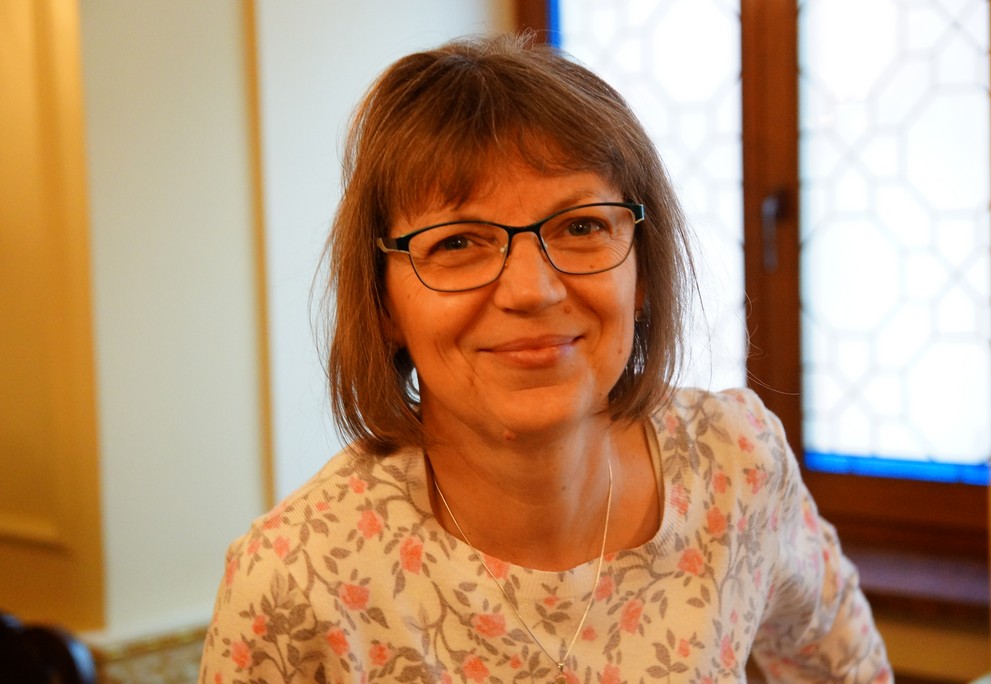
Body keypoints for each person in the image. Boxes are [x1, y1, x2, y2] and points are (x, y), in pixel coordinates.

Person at [199, 34, 892, 683]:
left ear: (643, 275)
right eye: (457, 242)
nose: (532, 290)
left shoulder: (737, 463)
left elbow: (846, 670)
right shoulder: (293, 582)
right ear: (384, 306)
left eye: (581, 226)